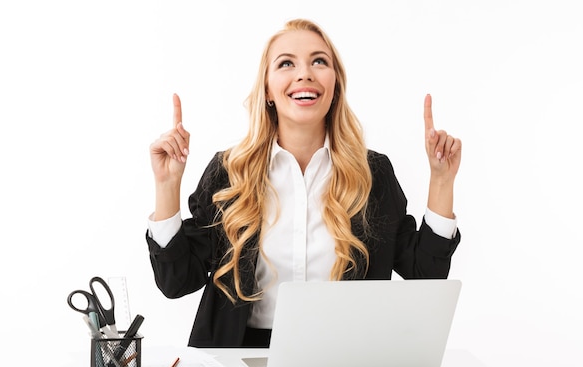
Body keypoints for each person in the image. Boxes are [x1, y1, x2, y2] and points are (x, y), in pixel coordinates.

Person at [146, 18, 462, 348]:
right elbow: (176, 281)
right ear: (267, 89)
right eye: (286, 63)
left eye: (319, 61)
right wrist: (166, 186)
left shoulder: (374, 173)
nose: (304, 74)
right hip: (240, 362)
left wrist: (441, 181)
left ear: (336, 84)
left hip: (346, 360)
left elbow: (425, 274)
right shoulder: (228, 172)